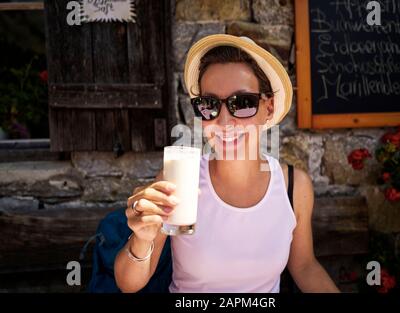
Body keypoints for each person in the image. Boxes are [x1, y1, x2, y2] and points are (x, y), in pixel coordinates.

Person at [114, 34, 339, 293]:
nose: (223, 122)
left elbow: (305, 266)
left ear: (268, 107)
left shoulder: (295, 187)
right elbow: (128, 285)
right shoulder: (179, 181)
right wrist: (142, 239)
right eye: (209, 105)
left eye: (242, 103)